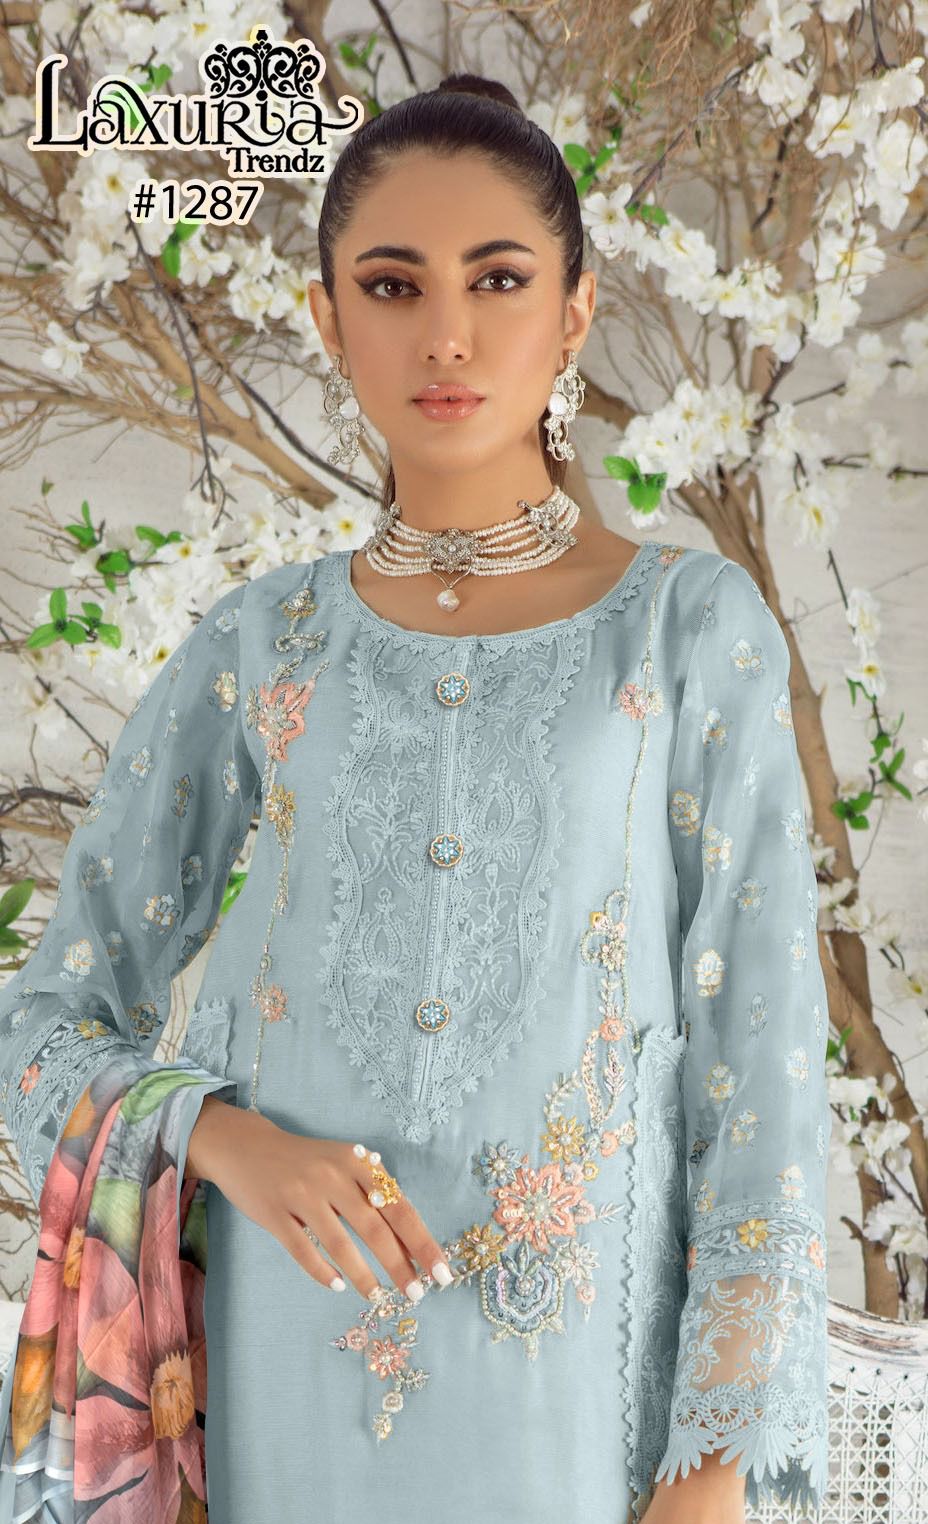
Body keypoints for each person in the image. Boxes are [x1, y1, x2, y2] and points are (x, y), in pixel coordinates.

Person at [0, 72, 832, 1524]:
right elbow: (41, 1027)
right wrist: (219, 1139)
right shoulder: (261, 646)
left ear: (575, 311)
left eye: (497, 279)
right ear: (329, 321)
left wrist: (714, 1466)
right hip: (288, 1370)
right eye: (393, 285)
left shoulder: (688, 630)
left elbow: (761, 1075)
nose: (446, 334)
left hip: (579, 1396)